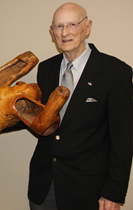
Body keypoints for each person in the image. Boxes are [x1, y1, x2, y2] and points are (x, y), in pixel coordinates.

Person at [27, 3, 133, 210]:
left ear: (88, 27)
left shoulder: (116, 73)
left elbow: (123, 139)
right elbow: (40, 117)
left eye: (72, 24)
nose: (65, 33)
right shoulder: (46, 69)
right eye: (58, 26)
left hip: (88, 191)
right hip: (43, 186)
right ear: (52, 32)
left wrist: (114, 192)